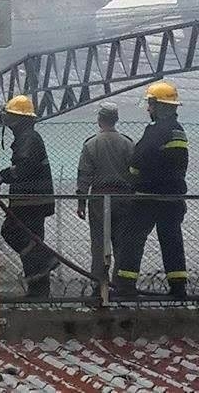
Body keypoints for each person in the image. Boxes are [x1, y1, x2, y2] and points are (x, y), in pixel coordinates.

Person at [113, 81, 189, 298]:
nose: (148, 109)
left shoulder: (157, 130)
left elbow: (140, 159)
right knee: (172, 240)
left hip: (148, 197)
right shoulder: (178, 131)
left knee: (131, 237)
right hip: (173, 198)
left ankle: (125, 287)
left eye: (151, 104)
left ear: (158, 105)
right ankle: (178, 287)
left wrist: (132, 177)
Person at [0, 95, 60, 298]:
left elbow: (24, 167)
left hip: (30, 199)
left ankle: (46, 257)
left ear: (19, 119)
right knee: (32, 240)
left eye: (10, 116)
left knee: (12, 232)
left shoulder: (29, 138)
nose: (7, 121)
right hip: (33, 199)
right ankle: (39, 290)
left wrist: (2, 177)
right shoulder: (28, 137)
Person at [75, 102, 134, 285]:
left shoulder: (91, 144)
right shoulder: (128, 143)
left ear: (100, 120)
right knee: (123, 244)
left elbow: (84, 175)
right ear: (116, 120)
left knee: (100, 244)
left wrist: (81, 202)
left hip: (99, 198)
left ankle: (99, 284)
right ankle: (121, 284)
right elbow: (135, 173)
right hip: (124, 198)